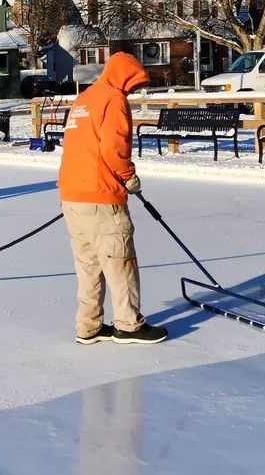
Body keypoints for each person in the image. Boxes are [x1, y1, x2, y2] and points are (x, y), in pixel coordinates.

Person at [58, 52, 167, 345]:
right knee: (120, 261)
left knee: (89, 265)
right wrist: (128, 177)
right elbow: (114, 148)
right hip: (102, 197)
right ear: (124, 76)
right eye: (132, 83)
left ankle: (89, 326)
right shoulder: (113, 99)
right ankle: (129, 325)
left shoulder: (85, 98)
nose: (132, 90)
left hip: (72, 194)